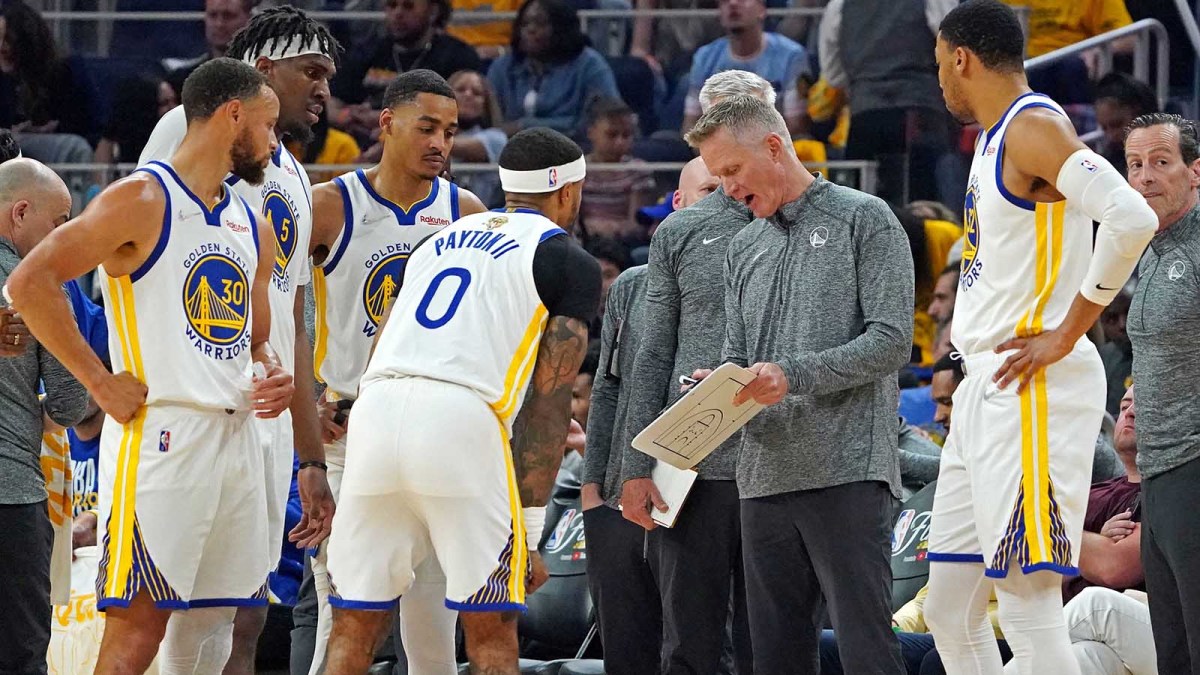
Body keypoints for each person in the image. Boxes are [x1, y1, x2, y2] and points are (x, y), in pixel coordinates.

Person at [5, 57, 294, 675]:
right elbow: (30, 282)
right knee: (137, 629)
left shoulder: (252, 220)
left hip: (238, 435)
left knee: (218, 621)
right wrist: (97, 380)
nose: (275, 143)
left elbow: (257, 337)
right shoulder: (141, 197)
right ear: (233, 115)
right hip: (163, 435)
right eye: (269, 126)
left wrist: (270, 370)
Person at [922, 3, 1158, 674]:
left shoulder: (1034, 127)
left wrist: (1067, 330)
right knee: (947, 608)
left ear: (962, 58)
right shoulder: (997, 137)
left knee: (1027, 601)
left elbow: (1129, 214)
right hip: (984, 388)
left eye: (940, 65)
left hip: (1032, 388)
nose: (939, 80)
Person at [321, 127, 601, 675]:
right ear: (569, 191)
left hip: (376, 410)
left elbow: (384, 336)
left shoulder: (437, 240)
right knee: (491, 625)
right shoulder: (567, 260)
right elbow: (548, 403)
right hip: (459, 421)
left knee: (354, 623)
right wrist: (531, 524)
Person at [139, 11, 342, 672]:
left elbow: (297, 328)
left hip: (264, 419)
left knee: (244, 611)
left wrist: (311, 457)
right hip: (189, 405)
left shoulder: (297, 182)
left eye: (328, 77)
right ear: (262, 71)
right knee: (159, 608)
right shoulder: (189, 128)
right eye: (311, 72)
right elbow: (137, 248)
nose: (324, 90)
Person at [683, 94, 914, 674]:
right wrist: (723, 382)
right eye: (718, 178)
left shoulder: (865, 217)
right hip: (760, 478)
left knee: (866, 649)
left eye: (733, 172)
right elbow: (738, 355)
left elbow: (891, 342)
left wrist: (792, 375)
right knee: (775, 657)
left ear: (773, 145)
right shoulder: (744, 246)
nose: (729, 189)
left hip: (847, 471)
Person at [302, 68, 487, 674]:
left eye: (452, 132)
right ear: (386, 124)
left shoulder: (465, 211)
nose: (440, 143)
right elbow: (272, 306)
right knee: (342, 609)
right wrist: (308, 401)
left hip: (433, 428)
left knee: (433, 615)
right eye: (427, 127)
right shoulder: (330, 205)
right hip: (351, 431)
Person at [618, 71, 771, 675]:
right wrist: (632, 468)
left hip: (782, 462)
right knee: (690, 639)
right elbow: (649, 355)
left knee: (779, 637)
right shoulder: (679, 231)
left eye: (751, 120)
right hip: (691, 463)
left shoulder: (824, 220)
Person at [0, 158, 88, 675]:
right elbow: (70, 403)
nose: (65, 235)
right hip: (11, 493)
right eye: (59, 222)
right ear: (21, 212)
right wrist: (39, 414)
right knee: (21, 656)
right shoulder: (39, 288)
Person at [1123, 112, 1200, 674]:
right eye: (1134, 164)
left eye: (1160, 162)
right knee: (1171, 647)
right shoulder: (1148, 249)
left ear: (1195, 172)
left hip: (1195, 463)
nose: (1145, 177)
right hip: (1159, 470)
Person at [329, 0, 481, 145]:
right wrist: (347, 116)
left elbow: (460, 113)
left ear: (433, 12)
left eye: (408, 6)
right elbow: (332, 101)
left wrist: (384, 118)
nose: (398, 13)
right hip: (361, 143)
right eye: (392, 5)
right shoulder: (369, 50)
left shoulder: (458, 56)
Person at [486, 0, 621, 138]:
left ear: (561, 28)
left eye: (540, 23)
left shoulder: (589, 65)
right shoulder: (503, 67)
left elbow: (606, 118)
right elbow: (489, 121)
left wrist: (524, 126)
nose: (530, 29)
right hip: (510, 152)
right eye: (524, 24)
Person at [682, 0, 809, 135]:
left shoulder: (791, 55)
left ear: (762, 10)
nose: (733, 3)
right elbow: (691, 123)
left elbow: (795, 126)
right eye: (725, 1)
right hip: (718, 148)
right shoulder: (705, 57)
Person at [580, 97, 657, 241]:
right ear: (591, 133)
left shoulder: (639, 170)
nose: (620, 142)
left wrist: (613, 229)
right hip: (585, 241)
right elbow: (572, 222)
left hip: (624, 243)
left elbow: (637, 224)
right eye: (612, 135)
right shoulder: (577, 171)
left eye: (626, 135)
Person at [162, 0, 254, 95]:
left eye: (228, 15)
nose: (219, 24)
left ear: (249, 19)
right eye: (213, 15)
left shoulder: (264, 77)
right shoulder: (181, 82)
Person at [448, 69, 508, 207]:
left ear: (486, 103)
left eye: (477, 93)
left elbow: (457, 147)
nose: (468, 95)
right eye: (461, 89)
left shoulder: (496, 138)